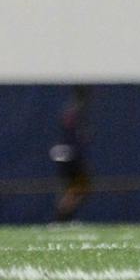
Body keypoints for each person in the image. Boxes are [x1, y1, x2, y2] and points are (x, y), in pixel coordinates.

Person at [51, 86, 92, 223]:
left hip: (66, 153)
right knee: (79, 187)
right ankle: (61, 218)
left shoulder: (72, 110)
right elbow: (72, 134)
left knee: (76, 188)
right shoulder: (75, 111)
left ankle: (63, 217)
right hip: (70, 154)